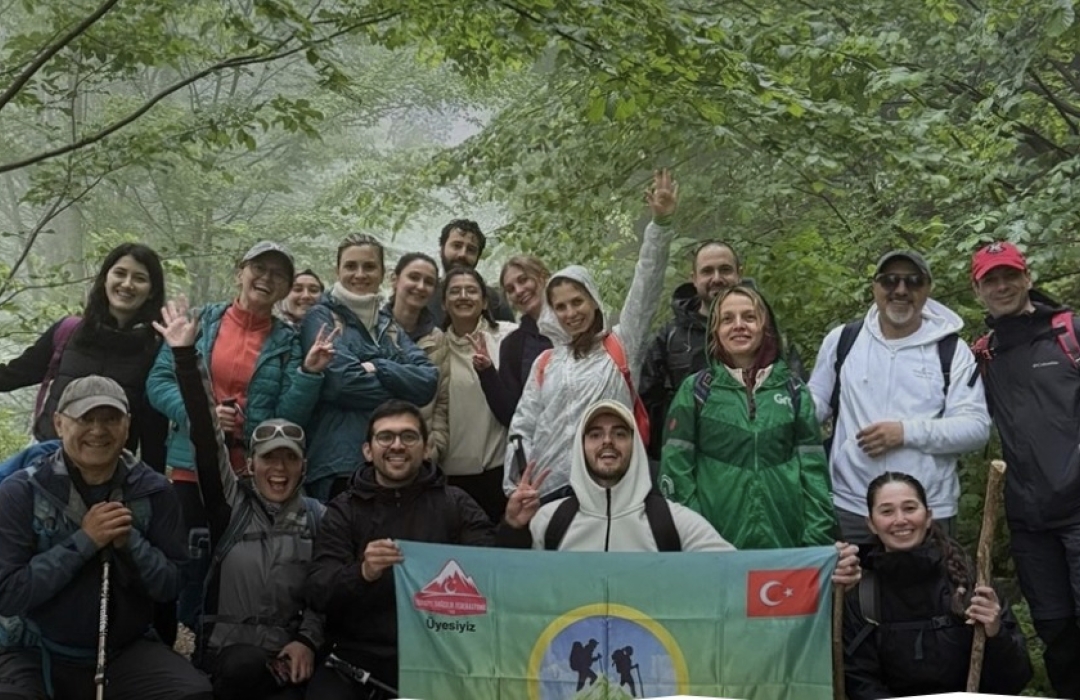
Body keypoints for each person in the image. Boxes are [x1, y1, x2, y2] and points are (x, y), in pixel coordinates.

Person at [155, 297, 336, 700]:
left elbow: (327, 592)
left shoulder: (318, 518)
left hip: (288, 658)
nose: (279, 469)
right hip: (227, 658)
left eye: (290, 459)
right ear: (251, 465)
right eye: (270, 459)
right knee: (244, 667)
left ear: (303, 468)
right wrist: (186, 356)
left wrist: (307, 640)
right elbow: (205, 435)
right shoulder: (230, 505)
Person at [147, 240, 326, 629]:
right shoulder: (201, 323)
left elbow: (288, 415)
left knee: (233, 562)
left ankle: (220, 644)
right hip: (191, 466)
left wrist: (309, 375)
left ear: (285, 288)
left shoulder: (287, 341)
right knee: (185, 558)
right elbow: (159, 380)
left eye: (278, 274)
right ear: (239, 271)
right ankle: (166, 648)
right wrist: (201, 417)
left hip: (250, 475)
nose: (266, 278)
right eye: (258, 267)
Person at [0, 376, 212, 700]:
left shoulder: (154, 492)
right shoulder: (20, 492)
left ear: (127, 426)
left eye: (110, 419)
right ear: (59, 424)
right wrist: (85, 541)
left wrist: (131, 544)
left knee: (191, 694)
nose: (98, 431)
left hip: (124, 651)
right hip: (34, 648)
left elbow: (170, 586)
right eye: (85, 418)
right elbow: (9, 594)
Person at [505, 169, 679, 501]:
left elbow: (646, 287)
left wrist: (660, 226)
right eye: (561, 306)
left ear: (594, 301)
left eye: (577, 302)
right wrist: (515, 486)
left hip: (614, 485)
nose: (571, 313)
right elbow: (523, 426)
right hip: (549, 491)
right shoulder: (546, 362)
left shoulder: (620, 344)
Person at [303, 400, 493, 699]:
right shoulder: (343, 509)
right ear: (368, 450)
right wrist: (362, 573)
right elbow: (318, 589)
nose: (397, 445)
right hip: (357, 653)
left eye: (408, 436)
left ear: (426, 447)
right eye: (385, 437)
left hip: (440, 652)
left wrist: (513, 526)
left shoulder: (455, 502)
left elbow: (492, 572)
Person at [807, 250, 991, 544]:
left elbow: (975, 428)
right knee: (853, 589)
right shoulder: (843, 340)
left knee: (929, 591)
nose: (901, 290)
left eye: (913, 281)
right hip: (852, 505)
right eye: (890, 281)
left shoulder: (951, 350)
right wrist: (778, 406)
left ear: (928, 288)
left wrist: (904, 433)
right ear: (875, 288)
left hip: (927, 509)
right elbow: (815, 403)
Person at [969, 240, 1080, 698]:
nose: (1001, 286)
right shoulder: (984, 353)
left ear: (1027, 278)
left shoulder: (1068, 332)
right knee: (1055, 630)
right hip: (1029, 519)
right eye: (990, 280)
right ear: (978, 292)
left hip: (1079, 510)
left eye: (1009, 276)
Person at [659, 285, 836, 550]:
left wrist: (814, 543)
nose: (739, 325)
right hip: (713, 549)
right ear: (715, 331)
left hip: (785, 546)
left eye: (749, 317)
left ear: (764, 326)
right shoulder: (696, 391)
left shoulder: (794, 391)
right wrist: (695, 538)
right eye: (728, 319)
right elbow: (676, 472)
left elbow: (815, 475)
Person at [843, 472, 1032, 698]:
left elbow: (1016, 679)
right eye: (887, 511)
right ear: (871, 524)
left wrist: (996, 634)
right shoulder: (863, 595)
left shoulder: (970, 581)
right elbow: (858, 681)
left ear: (928, 515)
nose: (900, 519)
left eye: (910, 508)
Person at [0, 242, 168, 471]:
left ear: (152, 291)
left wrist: (153, 488)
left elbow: (153, 429)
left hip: (106, 471)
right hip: (46, 461)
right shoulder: (68, 331)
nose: (127, 284)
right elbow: (13, 375)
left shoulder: (155, 349)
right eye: (120, 273)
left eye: (139, 278)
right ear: (105, 279)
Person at [301, 235, 438, 502]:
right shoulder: (321, 317)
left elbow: (428, 381)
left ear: (382, 272)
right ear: (337, 271)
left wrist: (378, 365)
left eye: (369, 266)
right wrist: (402, 390)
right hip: (338, 463)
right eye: (351, 266)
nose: (360, 274)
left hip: (390, 463)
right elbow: (342, 383)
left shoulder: (388, 325)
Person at [499, 400, 734, 552]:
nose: (607, 441)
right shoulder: (549, 520)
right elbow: (509, 589)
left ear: (636, 446)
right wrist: (512, 529)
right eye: (595, 434)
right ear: (581, 447)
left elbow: (734, 574)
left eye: (620, 434)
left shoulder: (673, 522)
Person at [639, 241, 742, 458]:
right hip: (688, 461)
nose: (717, 278)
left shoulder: (762, 330)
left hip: (749, 459)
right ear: (693, 278)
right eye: (707, 271)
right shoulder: (669, 337)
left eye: (725, 270)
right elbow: (647, 408)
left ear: (739, 274)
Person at [431, 266, 517, 522]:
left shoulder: (509, 337)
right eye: (455, 291)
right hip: (452, 472)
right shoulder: (432, 347)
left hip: (501, 468)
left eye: (471, 290)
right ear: (444, 303)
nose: (463, 296)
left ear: (485, 301)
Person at [476, 255, 556, 427]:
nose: (519, 291)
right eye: (510, 289)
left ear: (543, 276)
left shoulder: (575, 324)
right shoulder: (513, 346)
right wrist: (487, 373)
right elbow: (510, 414)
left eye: (523, 280)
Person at [385, 252, 447, 462]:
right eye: (413, 277)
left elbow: (442, 401)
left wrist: (435, 446)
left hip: (421, 454)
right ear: (395, 279)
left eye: (428, 282)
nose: (420, 286)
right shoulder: (372, 329)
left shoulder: (438, 338)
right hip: (378, 449)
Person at [425, 218, 514, 326]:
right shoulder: (424, 293)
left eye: (471, 250)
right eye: (456, 246)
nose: (462, 254)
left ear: (478, 257)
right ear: (441, 249)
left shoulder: (495, 301)